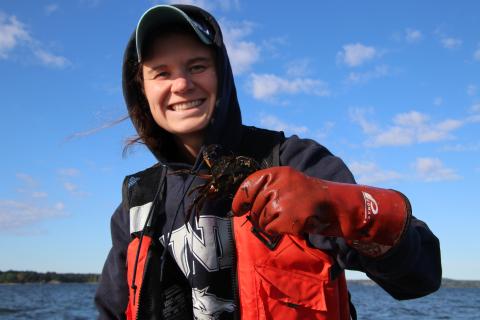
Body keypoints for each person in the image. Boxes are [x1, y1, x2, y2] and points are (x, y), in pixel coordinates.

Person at [95, 4, 442, 320]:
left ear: (222, 74)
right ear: (141, 89)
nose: (182, 84)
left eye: (197, 66)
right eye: (161, 73)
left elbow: (421, 276)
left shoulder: (295, 160)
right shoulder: (137, 202)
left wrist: (340, 206)